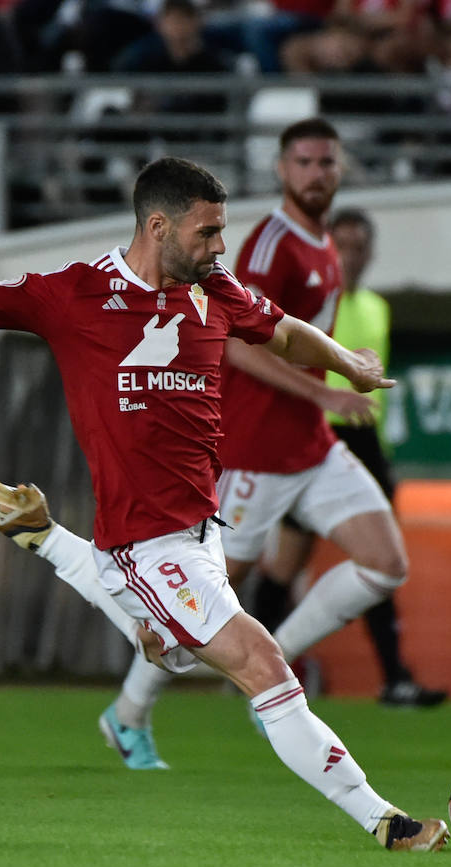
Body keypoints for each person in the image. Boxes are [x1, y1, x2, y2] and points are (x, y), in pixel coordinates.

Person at [0, 154, 450, 851]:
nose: (220, 247)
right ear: (159, 225)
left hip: (202, 529)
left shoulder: (217, 290)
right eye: (209, 232)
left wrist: (348, 362)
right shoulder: (78, 294)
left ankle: (44, 536)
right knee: (263, 665)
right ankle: (385, 821)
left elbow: (284, 332)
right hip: (145, 540)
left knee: (176, 659)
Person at [87, 118, 421, 769]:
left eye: (327, 161)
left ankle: (276, 673)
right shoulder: (271, 245)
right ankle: (127, 714)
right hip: (254, 455)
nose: (317, 172)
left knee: (386, 562)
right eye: (304, 161)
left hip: (311, 447)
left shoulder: (322, 242)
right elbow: (238, 345)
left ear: (341, 167)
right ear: (281, 168)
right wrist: (326, 391)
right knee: (203, 608)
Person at [251, 207, 448, 709]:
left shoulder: (378, 308)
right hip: (318, 432)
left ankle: (395, 678)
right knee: (283, 565)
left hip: (364, 441)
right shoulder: (308, 304)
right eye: (342, 245)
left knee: (381, 562)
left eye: (360, 246)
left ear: (371, 253)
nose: (351, 255)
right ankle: (254, 669)